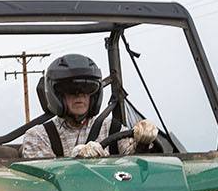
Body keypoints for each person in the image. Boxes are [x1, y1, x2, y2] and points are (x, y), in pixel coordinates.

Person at [20, 54, 159, 159]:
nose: (79, 95)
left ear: (94, 95)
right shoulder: (39, 136)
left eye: (87, 88)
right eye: (70, 89)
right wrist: (76, 160)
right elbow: (42, 180)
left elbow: (136, 161)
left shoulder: (111, 128)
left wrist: (144, 141)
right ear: (57, 95)